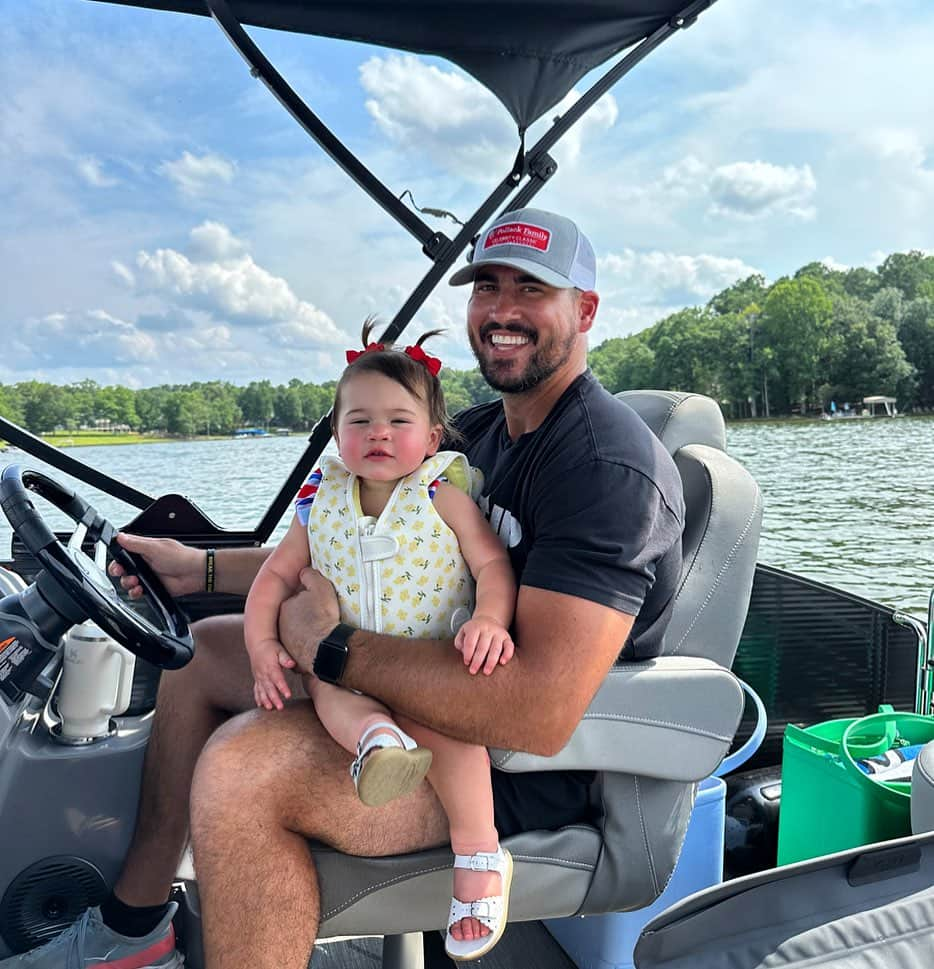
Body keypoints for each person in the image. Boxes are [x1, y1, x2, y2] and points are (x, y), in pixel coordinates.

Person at [0, 208, 685, 969]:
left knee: (242, 770)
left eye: (533, 289)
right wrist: (198, 570)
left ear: (585, 310)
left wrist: (324, 645)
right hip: (416, 695)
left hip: (512, 771)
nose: (502, 311)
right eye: (486, 286)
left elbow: (536, 712)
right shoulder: (480, 433)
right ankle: (134, 928)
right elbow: (349, 550)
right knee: (198, 658)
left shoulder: (605, 469)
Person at [244, 319, 518, 960]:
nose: (378, 434)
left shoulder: (441, 493)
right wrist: (262, 646)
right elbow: (273, 579)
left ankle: (479, 858)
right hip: (350, 666)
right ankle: (379, 743)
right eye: (359, 420)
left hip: (433, 668)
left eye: (398, 421)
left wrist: (490, 620)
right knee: (330, 694)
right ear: (337, 433)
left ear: (431, 436)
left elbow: (492, 565)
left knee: (457, 743)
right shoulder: (321, 501)